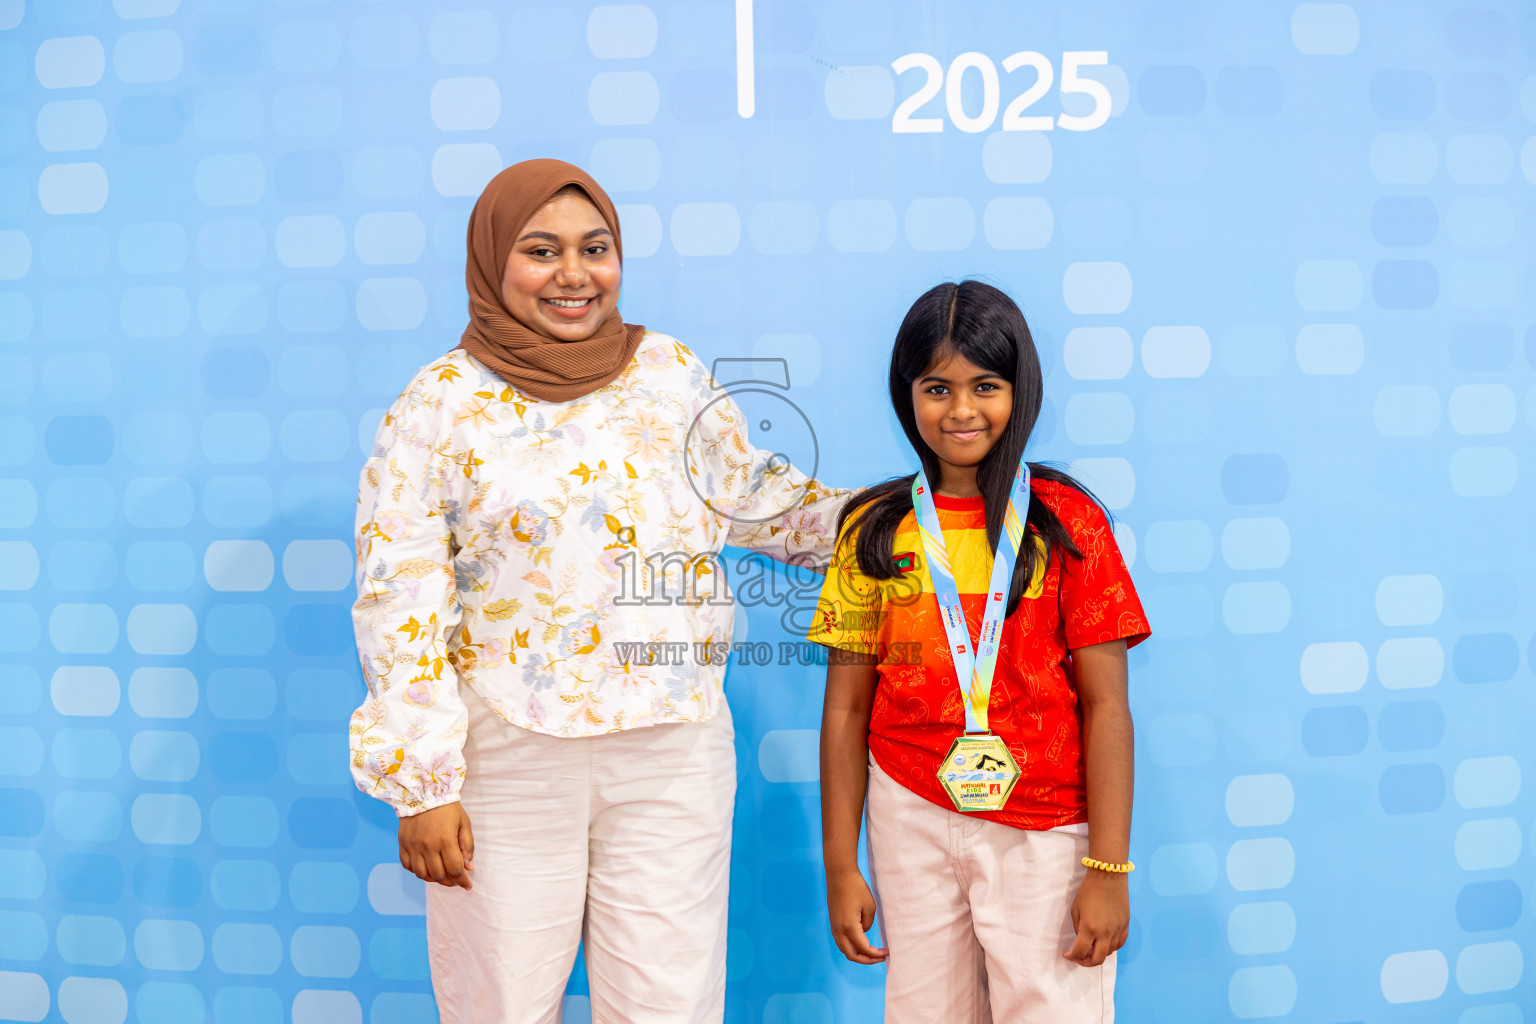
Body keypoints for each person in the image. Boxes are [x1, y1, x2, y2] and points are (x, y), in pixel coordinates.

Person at [348, 159, 849, 1024]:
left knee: (671, 1005)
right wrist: (423, 782)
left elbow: (759, 500)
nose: (574, 274)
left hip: (674, 750)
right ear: (494, 259)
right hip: (506, 753)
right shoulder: (439, 405)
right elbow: (400, 597)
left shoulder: (670, 373)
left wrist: (912, 520)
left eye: (596, 248)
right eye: (542, 251)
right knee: (498, 1004)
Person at [812, 280, 1150, 1022]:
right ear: (908, 396)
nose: (961, 411)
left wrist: (1109, 867)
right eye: (937, 388)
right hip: (908, 811)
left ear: (1018, 390)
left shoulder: (1068, 524)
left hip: (1048, 827)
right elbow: (844, 711)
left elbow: (1106, 705)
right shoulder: (873, 528)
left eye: (984, 386)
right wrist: (841, 860)